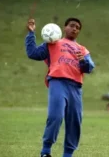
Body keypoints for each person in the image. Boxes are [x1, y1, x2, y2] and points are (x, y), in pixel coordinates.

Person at [25, 18, 95, 157]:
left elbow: (89, 68)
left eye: (77, 27)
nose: (74, 29)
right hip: (57, 82)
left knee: (75, 121)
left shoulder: (82, 49)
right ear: (64, 27)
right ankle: (46, 151)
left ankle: (68, 154)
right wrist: (31, 34)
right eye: (71, 26)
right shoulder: (53, 43)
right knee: (55, 116)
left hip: (75, 87)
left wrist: (83, 61)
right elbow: (33, 53)